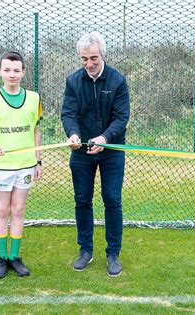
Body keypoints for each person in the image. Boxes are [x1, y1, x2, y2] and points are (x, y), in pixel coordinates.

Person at [61, 32, 130, 277]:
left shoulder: (118, 81)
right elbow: (68, 114)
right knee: (82, 200)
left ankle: (113, 253)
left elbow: (122, 118)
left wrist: (105, 138)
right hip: (81, 152)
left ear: (102, 55)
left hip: (112, 151)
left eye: (93, 58)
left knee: (112, 200)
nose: (89, 64)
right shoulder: (73, 81)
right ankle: (85, 251)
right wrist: (72, 134)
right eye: (84, 59)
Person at [0, 51, 43, 278]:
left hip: (25, 165)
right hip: (1, 166)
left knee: (19, 210)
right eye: (6, 70)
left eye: (16, 70)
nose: (11, 74)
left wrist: (38, 160)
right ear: (0, 71)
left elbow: (36, 130)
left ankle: (15, 257)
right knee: (2, 210)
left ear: (23, 72)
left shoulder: (34, 98)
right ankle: (2, 258)